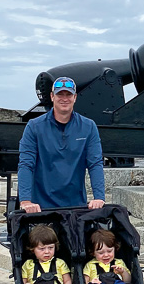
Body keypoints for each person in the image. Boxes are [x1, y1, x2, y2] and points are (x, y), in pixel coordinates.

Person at [17, 76, 106, 212]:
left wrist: (99, 197)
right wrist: (25, 201)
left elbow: (95, 163)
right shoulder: (34, 127)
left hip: (76, 205)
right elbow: (26, 164)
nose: (64, 99)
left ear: (75, 97)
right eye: (60, 94)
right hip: (42, 206)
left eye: (68, 94)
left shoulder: (88, 127)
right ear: (52, 96)